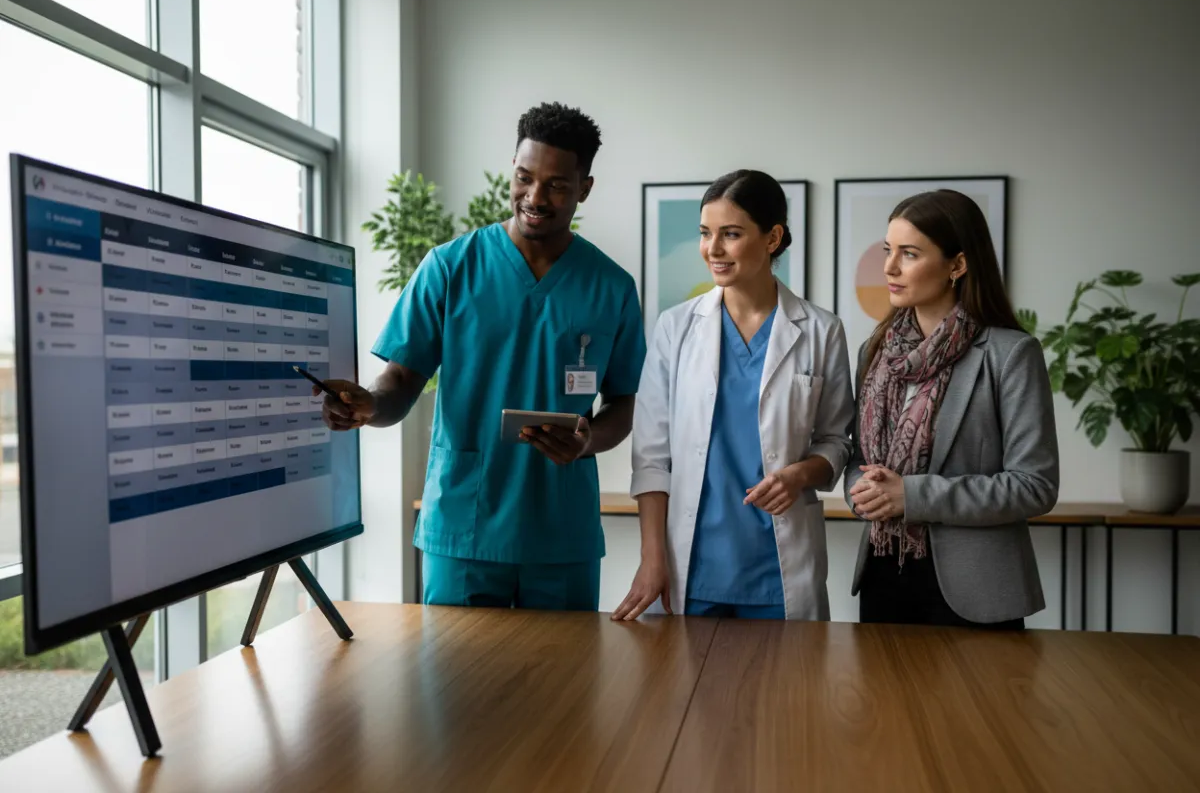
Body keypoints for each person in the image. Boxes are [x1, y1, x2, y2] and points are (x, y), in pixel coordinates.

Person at [319, 102, 646, 611]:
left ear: (585, 189)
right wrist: (368, 407)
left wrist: (587, 443)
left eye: (558, 185)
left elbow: (624, 401)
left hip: (561, 534)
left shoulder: (612, 288)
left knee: (567, 690)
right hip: (463, 528)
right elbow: (400, 381)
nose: (535, 197)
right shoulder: (449, 267)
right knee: (454, 689)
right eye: (523, 177)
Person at [613, 170, 855, 622]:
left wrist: (801, 474)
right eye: (706, 234)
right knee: (684, 692)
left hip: (779, 568)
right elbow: (651, 457)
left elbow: (837, 440)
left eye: (731, 234)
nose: (713, 249)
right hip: (694, 565)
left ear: (773, 237)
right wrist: (652, 559)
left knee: (786, 692)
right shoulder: (676, 327)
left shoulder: (821, 330)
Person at [845, 189, 1059, 629]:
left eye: (909, 254)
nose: (889, 267)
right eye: (889, 251)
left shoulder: (1010, 354)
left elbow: (1034, 485)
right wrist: (863, 493)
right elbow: (858, 462)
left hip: (976, 592)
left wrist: (913, 495)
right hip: (883, 577)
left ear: (957, 265)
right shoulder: (875, 352)